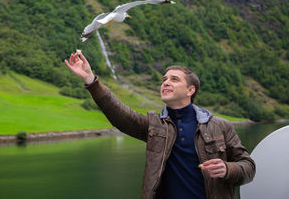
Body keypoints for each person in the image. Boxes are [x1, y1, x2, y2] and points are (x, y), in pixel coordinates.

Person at [65, 51, 255, 199]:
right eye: (164, 79)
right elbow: (120, 115)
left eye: (174, 79)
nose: (165, 83)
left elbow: (248, 167)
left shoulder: (220, 126)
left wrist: (227, 169)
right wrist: (90, 79)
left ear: (190, 90)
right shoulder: (154, 124)